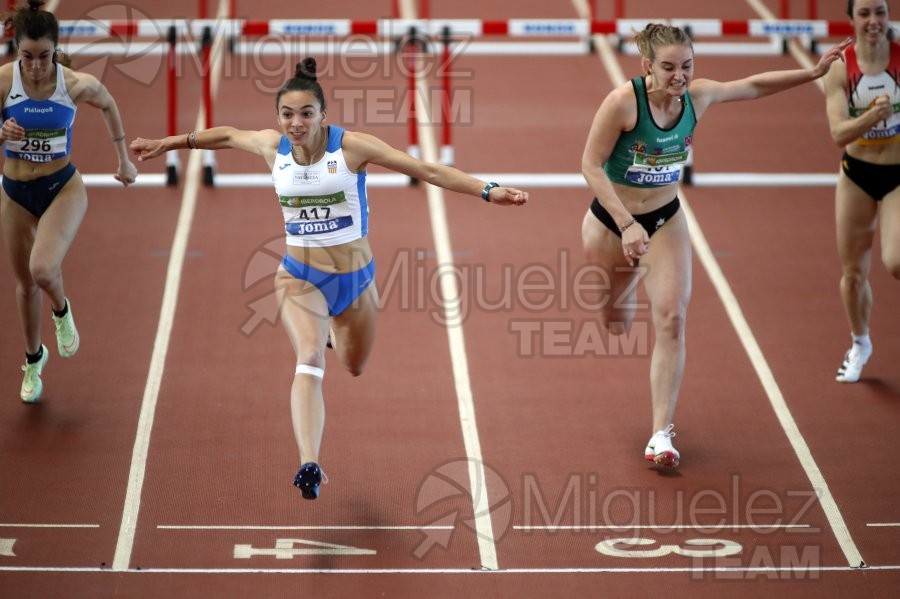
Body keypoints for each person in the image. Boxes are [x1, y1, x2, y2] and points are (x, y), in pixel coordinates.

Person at [130, 57, 528, 500]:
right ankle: (310, 463)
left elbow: (428, 170)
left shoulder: (352, 149)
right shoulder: (271, 147)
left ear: (323, 115)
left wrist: (489, 190)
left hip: (356, 280)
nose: (295, 123)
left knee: (354, 366)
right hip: (299, 276)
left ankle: (335, 335)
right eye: (286, 115)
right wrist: (169, 143)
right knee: (308, 357)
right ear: (278, 118)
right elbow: (224, 135)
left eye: (305, 114)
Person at [581, 23, 850, 468]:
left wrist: (813, 73)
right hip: (612, 223)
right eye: (668, 68)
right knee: (615, 320)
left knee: (672, 317)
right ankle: (622, 288)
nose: (679, 76)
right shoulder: (623, 103)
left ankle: (660, 434)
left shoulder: (698, 97)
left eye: (687, 66)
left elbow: (751, 86)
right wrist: (627, 224)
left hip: (666, 220)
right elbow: (589, 164)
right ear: (647, 65)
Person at [1, 0, 138, 403]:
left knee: (42, 268)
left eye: (44, 57)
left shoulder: (75, 84)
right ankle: (32, 360)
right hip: (15, 193)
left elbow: (109, 104)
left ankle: (61, 311)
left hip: (62, 187)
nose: (36, 66)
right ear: (16, 49)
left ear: (55, 51)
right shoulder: (5, 80)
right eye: (28, 57)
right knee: (24, 286)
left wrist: (124, 160)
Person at [824, 0, 900, 384]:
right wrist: (872, 115)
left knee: (897, 260)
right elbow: (838, 132)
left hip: (898, 175)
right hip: (857, 174)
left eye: (881, 12)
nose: (874, 21)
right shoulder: (840, 67)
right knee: (853, 274)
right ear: (851, 19)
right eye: (865, 13)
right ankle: (860, 343)